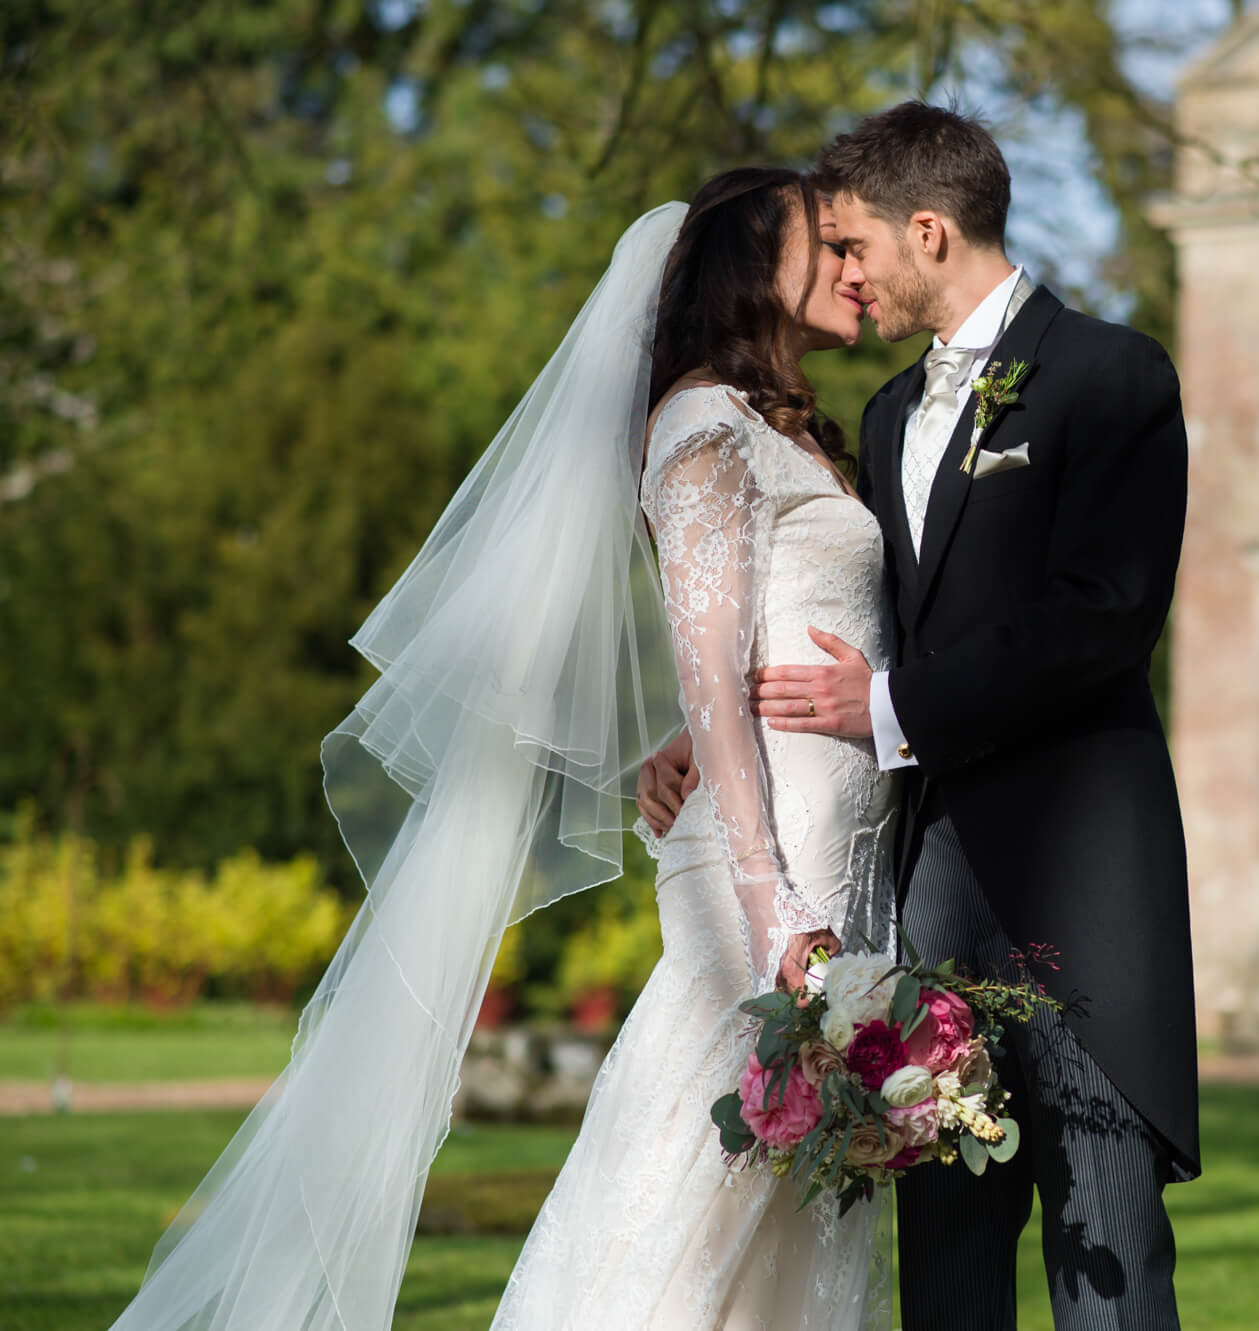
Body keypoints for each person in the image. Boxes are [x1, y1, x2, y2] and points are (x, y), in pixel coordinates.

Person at [105, 169, 896, 1331]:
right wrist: (768, 904)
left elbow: (740, 653)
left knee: (779, 1210)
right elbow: (708, 666)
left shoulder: (780, 428)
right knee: (689, 1183)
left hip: (836, 845)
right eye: (816, 243)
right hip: (766, 871)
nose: (843, 263)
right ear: (747, 267)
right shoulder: (700, 428)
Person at [639, 103, 1200, 1331]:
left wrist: (884, 704)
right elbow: (865, 609)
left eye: (854, 247)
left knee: (1104, 1257)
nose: (845, 274)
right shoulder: (885, 416)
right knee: (944, 1270)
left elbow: (1101, 615)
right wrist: (723, 714)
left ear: (928, 231)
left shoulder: (1116, 375)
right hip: (920, 904)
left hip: (1084, 894)